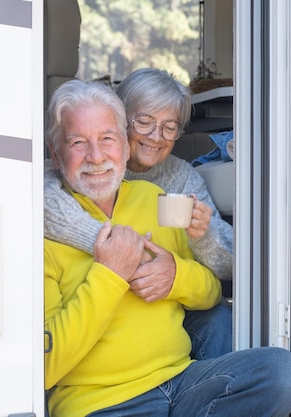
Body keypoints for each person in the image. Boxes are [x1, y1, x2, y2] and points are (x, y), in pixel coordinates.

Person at [44, 79, 291, 417]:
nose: (96, 156)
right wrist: (109, 274)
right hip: (102, 403)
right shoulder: (42, 228)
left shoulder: (157, 201)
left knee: (280, 372)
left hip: (181, 383)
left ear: (123, 145)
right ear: (55, 153)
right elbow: (45, 364)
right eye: (78, 142)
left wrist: (176, 276)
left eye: (107, 139)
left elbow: (211, 291)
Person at [45, 68, 234, 360]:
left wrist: (203, 236)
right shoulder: (78, 168)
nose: (156, 136)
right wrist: (117, 248)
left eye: (170, 127)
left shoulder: (182, 178)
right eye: (145, 121)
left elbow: (227, 268)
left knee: (219, 319)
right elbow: (40, 201)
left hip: (168, 305)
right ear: (120, 120)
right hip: (101, 315)